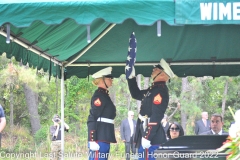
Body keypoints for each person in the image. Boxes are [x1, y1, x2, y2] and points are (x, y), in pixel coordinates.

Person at [126, 58, 175, 160]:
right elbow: (136, 94)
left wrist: (147, 137)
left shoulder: (160, 91)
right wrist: (131, 77)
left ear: (162, 74)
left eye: (156, 69)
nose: (153, 70)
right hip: (146, 134)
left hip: (152, 138)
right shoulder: (154, 89)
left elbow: (156, 116)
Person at [87, 67, 117, 160]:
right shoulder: (99, 96)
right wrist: (92, 140)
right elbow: (92, 117)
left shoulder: (104, 95)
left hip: (104, 136)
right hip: (99, 137)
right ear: (102, 80)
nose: (111, 80)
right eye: (109, 78)